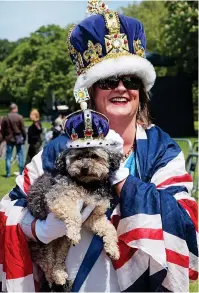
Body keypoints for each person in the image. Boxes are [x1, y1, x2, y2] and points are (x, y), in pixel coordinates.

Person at [0, 1, 198, 292]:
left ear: (141, 91)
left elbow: (185, 224)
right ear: (90, 90)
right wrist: (37, 229)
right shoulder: (59, 150)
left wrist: (120, 178)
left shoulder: (162, 150)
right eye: (107, 80)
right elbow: (8, 210)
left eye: (131, 79)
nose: (120, 87)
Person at [1, 103, 26, 177]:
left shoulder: (6, 117)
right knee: (20, 156)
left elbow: (2, 129)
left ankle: (8, 173)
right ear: (15, 109)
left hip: (9, 139)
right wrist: (24, 137)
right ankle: (21, 172)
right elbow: (23, 129)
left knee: (8, 157)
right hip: (18, 138)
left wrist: (5, 137)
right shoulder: (19, 117)